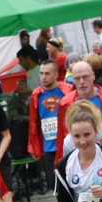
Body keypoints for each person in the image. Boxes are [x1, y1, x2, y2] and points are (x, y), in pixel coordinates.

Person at [26, 59, 70, 188]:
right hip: (49, 146)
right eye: (41, 73)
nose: (43, 77)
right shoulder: (36, 95)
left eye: (47, 73)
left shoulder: (67, 90)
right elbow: (33, 122)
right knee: (54, 185)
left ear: (56, 74)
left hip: (68, 143)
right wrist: (33, 146)